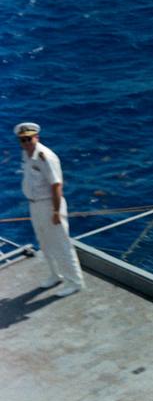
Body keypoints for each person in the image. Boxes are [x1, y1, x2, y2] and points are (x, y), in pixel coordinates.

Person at [15, 122, 84, 297]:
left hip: (49, 204)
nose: (26, 143)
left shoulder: (46, 156)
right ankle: (56, 274)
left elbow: (56, 185)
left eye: (29, 139)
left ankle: (75, 282)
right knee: (44, 243)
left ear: (36, 137)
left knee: (61, 244)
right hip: (35, 204)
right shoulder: (26, 154)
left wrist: (56, 211)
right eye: (22, 140)